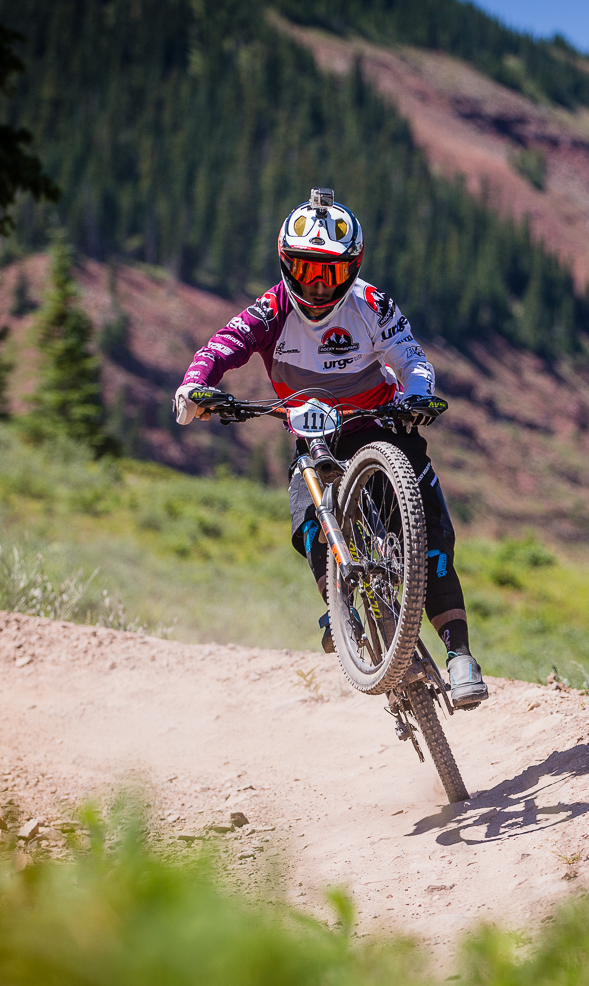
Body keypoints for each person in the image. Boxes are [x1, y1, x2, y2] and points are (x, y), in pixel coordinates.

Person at [172, 188, 488, 708]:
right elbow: (222, 346)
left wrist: (416, 398)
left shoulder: (371, 305)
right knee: (307, 514)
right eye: (305, 269)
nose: (317, 285)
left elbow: (411, 359)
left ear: (353, 268)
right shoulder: (271, 310)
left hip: (380, 422)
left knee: (430, 531)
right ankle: (339, 607)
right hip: (313, 435)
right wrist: (195, 387)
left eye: (332, 272)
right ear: (284, 264)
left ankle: (459, 655)